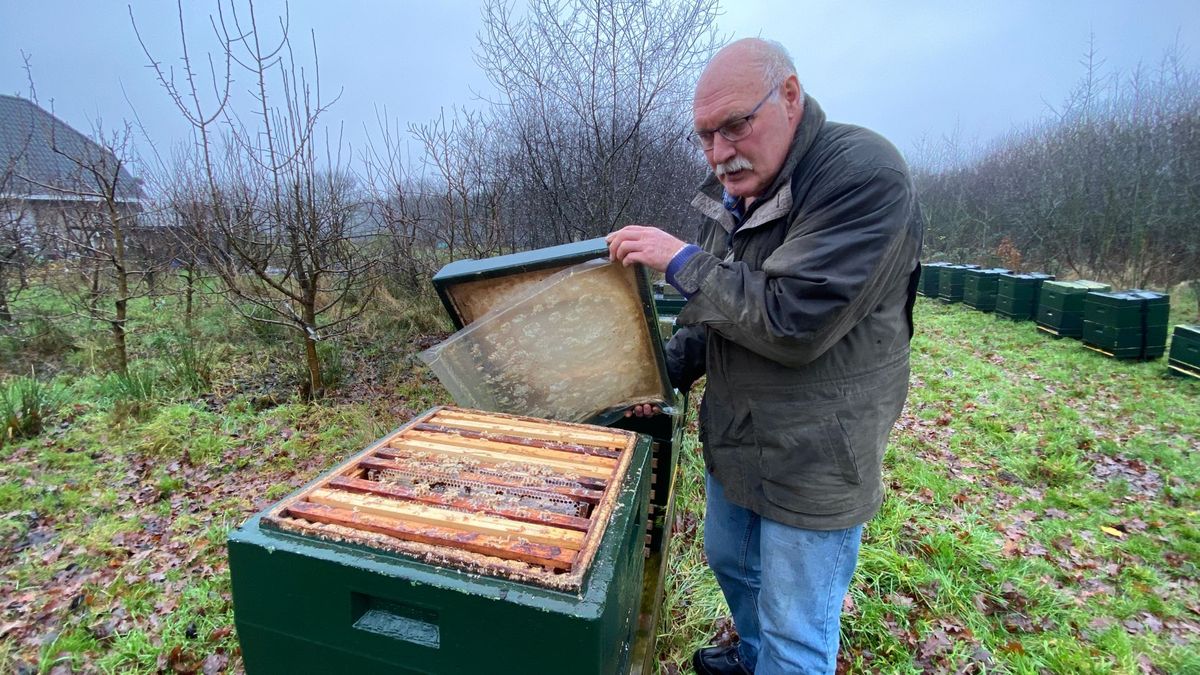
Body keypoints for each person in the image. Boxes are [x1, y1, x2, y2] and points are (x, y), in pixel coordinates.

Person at [606, 38, 923, 675]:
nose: (720, 153)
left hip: (817, 449)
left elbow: (793, 319)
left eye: (735, 126)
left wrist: (682, 261)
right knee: (733, 565)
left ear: (789, 96)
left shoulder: (861, 175)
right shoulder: (736, 191)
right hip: (742, 432)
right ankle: (753, 660)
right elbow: (721, 313)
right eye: (704, 136)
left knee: (796, 628)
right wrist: (660, 372)